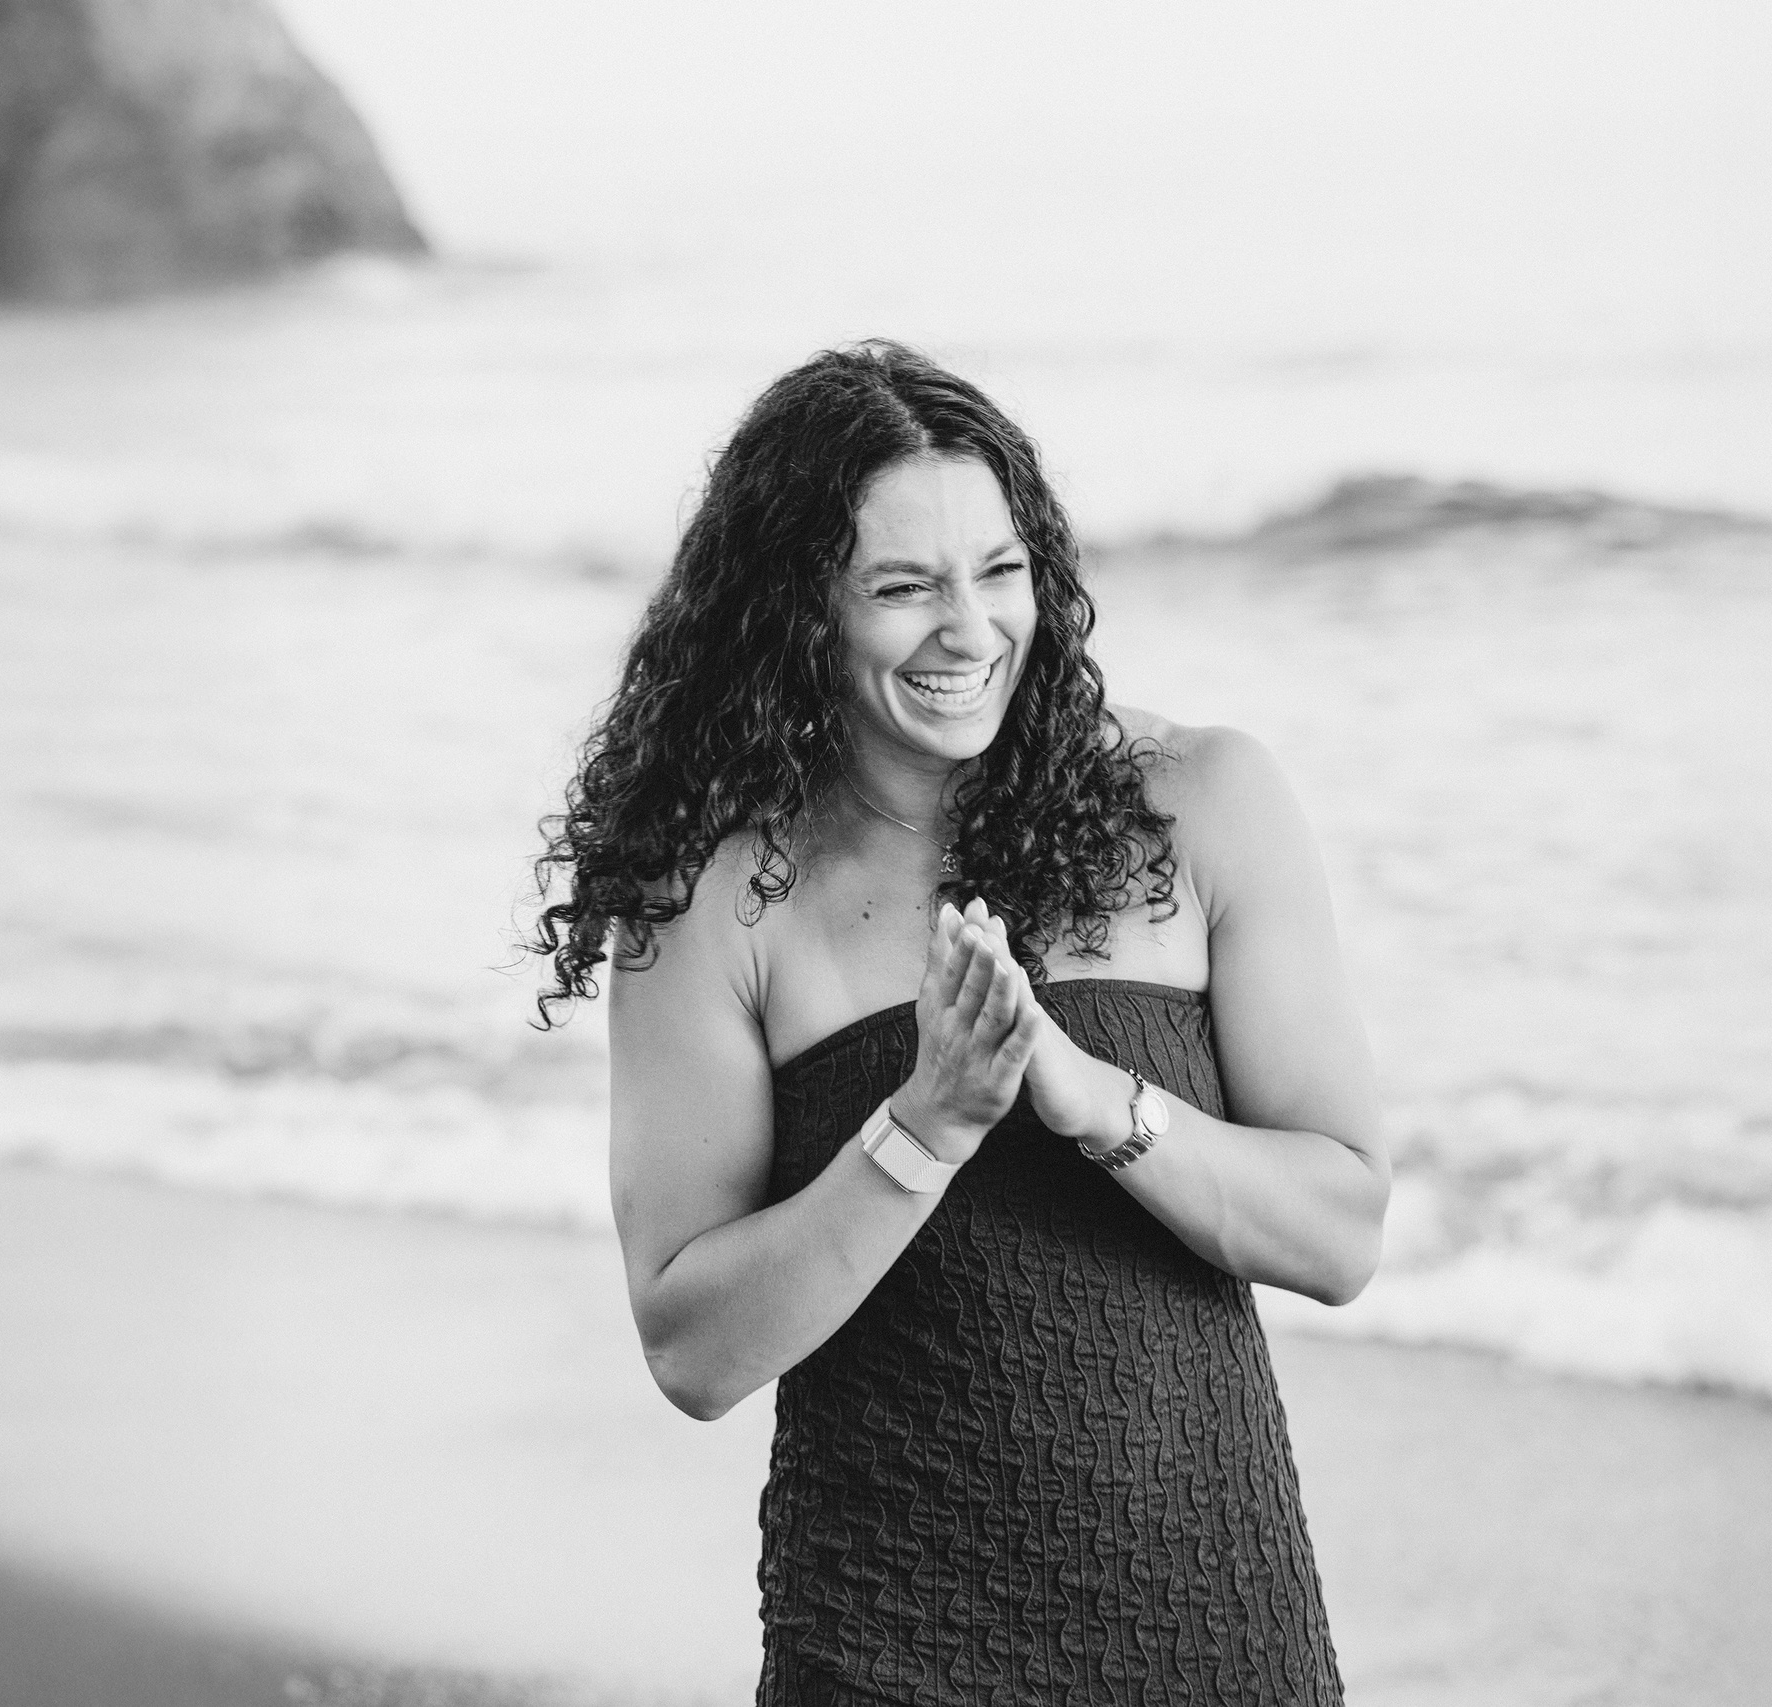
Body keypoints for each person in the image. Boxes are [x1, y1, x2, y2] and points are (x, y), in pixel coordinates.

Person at [531, 341, 1387, 1704]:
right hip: (887, 1655)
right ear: (797, 612)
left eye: (998, 572)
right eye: (902, 587)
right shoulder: (714, 903)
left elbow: (1340, 1231)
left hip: (1222, 1642)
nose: (970, 631)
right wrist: (924, 1127)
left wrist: (1093, 1100)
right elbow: (693, 1348)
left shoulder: (1203, 806)